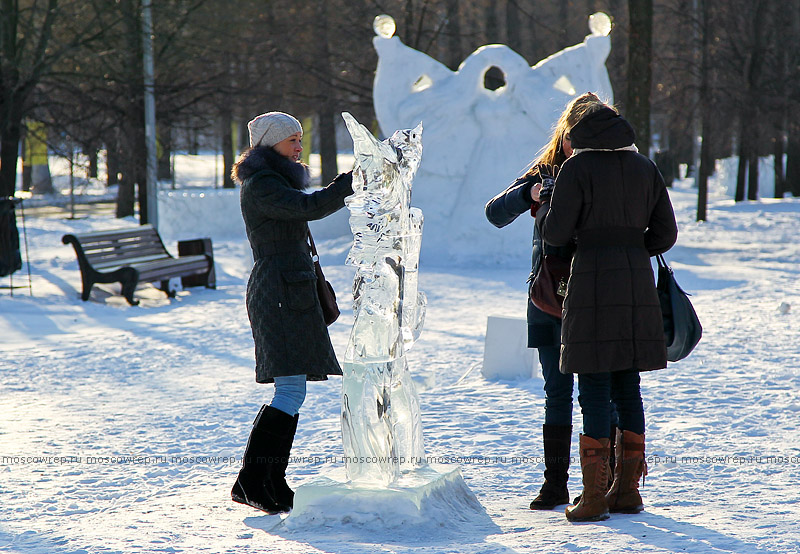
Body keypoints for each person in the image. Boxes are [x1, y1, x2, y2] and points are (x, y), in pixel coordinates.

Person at [536, 94, 678, 522]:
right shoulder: (645, 167)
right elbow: (667, 233)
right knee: (627, 384)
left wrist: (547, 208)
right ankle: (628, 492)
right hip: (636, 284)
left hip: (591, 282)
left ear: (582, 136)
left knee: (594, 384)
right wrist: (632, 247)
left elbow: (555, 235)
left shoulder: (577, 168)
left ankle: (594, 496)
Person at [485, 93, 618, 511]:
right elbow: (494, 213)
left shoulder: (613, 171)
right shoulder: (544, 172)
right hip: (546, 298)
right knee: (556, 391)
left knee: (599, 392)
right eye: (571, 137)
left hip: (595, 297)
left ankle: (602, 485)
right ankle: (555, 484)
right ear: (562, 136)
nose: (576, 146)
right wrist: (531, 195)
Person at [230, 111, 354, 513]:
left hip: (289, 288)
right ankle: (253, 481)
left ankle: (269, 480)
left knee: (292, 391)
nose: (299, 146)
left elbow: (305, 208)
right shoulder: (264, 183)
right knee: (289, 390)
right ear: (269, 143)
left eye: (301, 139)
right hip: (279, 291)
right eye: (291, 140)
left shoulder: (273, 180)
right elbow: (311, 207)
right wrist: (348, 184)